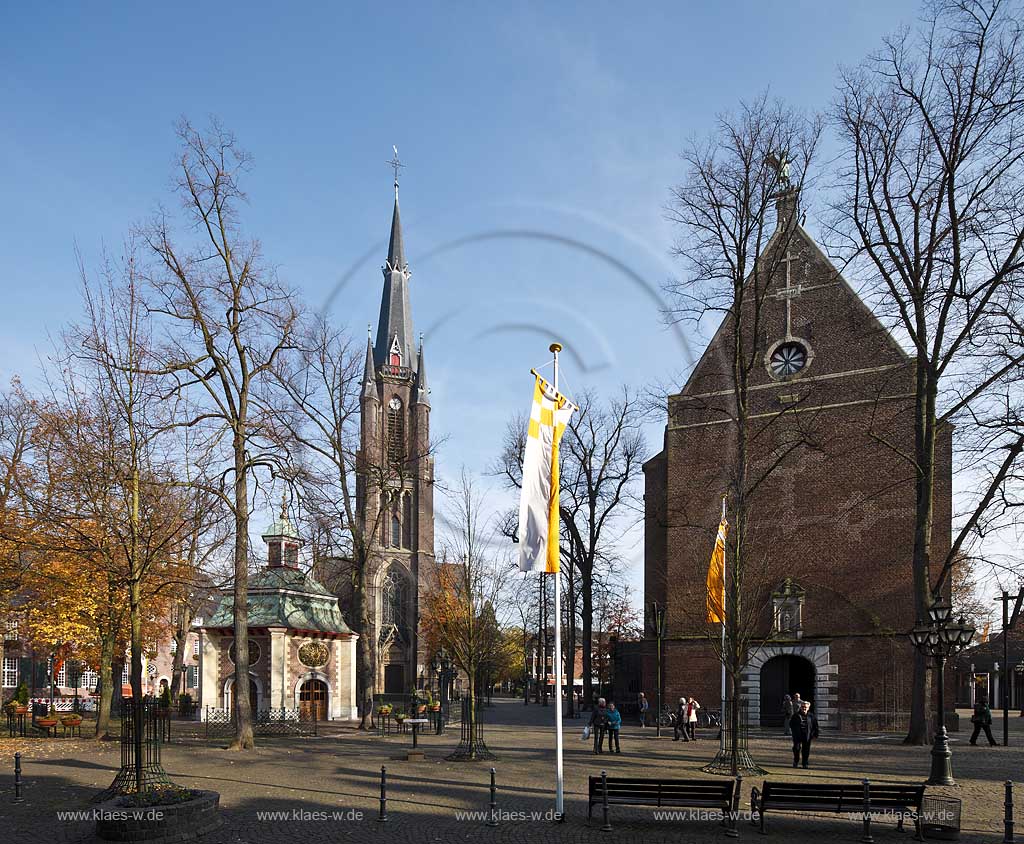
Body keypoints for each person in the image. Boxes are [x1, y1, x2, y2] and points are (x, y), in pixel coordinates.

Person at [790, 700, 819, 769]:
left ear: (808, 708)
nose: (804, 708)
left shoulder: (811, 716)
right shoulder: (796, 715)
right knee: (796, 749)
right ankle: (796, 761)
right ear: (800, 707)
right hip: (797, 735)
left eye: (805, 707)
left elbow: (815, 726)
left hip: (807, 735)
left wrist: (815, 734)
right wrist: (794, 732)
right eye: (803, 707)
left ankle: (805, 763)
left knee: (806, 750)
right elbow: (791, 724)